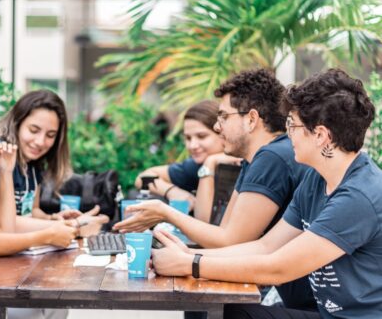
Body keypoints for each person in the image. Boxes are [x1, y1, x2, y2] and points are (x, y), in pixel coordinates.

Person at [152, 68, 382, 319]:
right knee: (213, 308)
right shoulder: (316, 178)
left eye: (292, 125)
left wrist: (192, 264)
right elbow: (266, 246)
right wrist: (189, 256)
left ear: (320, 135)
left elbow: (279, 268)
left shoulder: (359, 196)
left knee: (231, 314)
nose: (287, 133)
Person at [115, 69, 315, 311]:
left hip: (297, 301)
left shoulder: (272, 158)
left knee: (211, 305)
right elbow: (225, 234)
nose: (218, 127)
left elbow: (230, 241)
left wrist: (165, 213)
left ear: (251, 119)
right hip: (284, 291)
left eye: (223, 116)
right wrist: (186, 254)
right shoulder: (257, 158)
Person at [0, 90, 109, 229]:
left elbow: (31, 211)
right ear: (17, 123)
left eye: (51, 135)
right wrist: (70, 225)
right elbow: (1, 222)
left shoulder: (34, 161)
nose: (41, 142)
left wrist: (54, 218)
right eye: (33, 130)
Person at [135, 100, 238, 222]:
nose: (192, 145)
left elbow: (206, 224)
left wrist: (210, 162)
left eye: (201, 136)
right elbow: (143, 178)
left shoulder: (246, 166)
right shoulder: (197, 166)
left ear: (222, 133)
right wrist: (172, 191)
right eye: (188, 138)